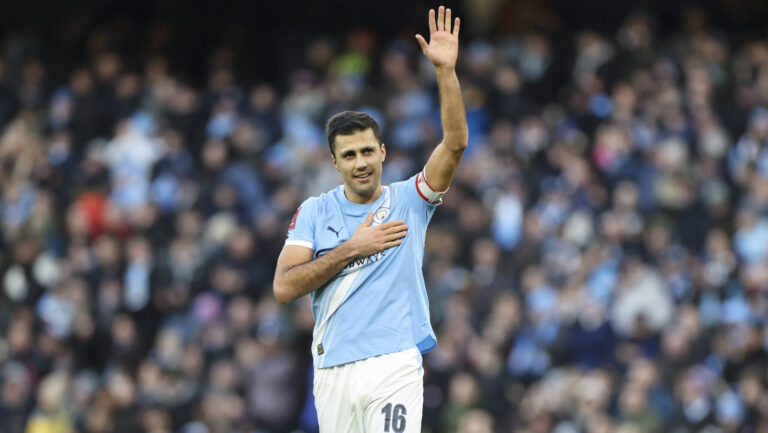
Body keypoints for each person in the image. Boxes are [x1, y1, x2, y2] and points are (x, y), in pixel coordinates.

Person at [273, 6, 467, 433]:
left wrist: (445, 73)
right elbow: (285, 287)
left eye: (366, 151)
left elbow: (454, 145)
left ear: (383, 152)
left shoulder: (411, 199)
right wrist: (351, 249)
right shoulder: (314, 210)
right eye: (348, 155)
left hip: (394, 362)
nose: (360, 162)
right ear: (334, 163)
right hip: (333, 367)